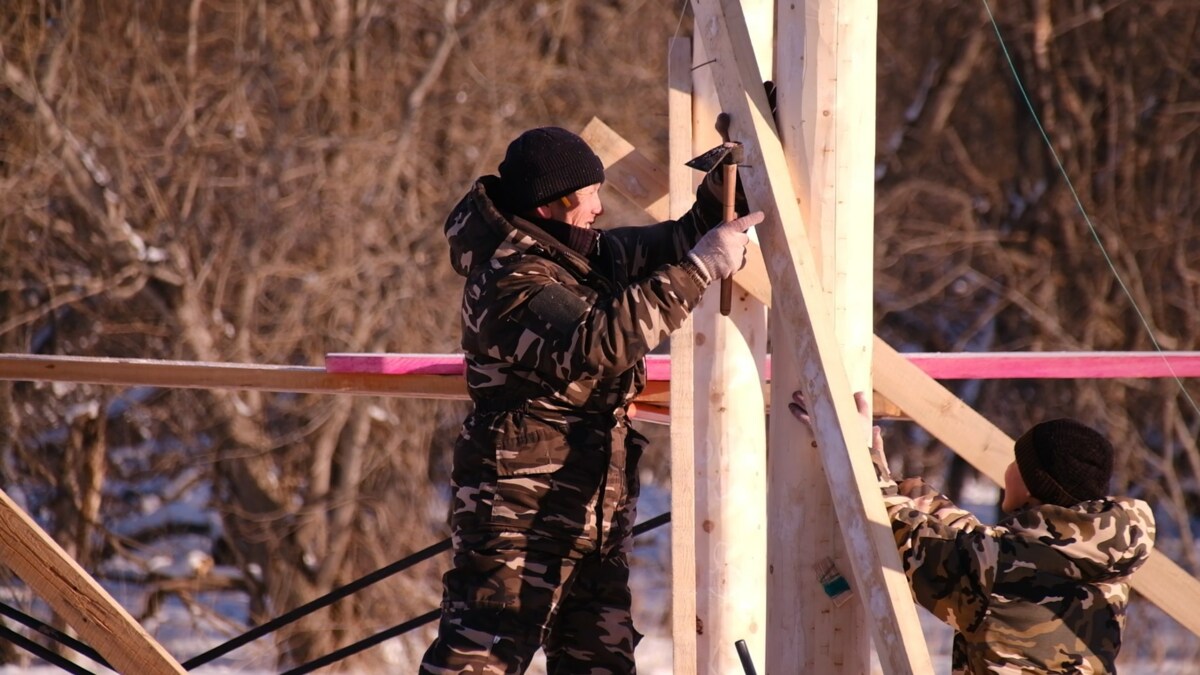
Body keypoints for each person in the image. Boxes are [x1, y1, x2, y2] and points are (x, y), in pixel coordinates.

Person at [420, 126, 762, 674]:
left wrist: (738, 171)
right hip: (517, 519)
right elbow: (596, 341)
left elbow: (679, 240)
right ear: (550, 205)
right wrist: (701, 269)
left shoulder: (578, 256)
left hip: (591, 520)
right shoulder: (510, 279)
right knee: (477, 663)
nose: (600, 210)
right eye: (589, 197)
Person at [788, 390, 1156, 674]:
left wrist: (852, 449)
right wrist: (906, 490)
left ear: (1031, 485)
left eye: (1018, 462)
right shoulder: (1103, 556)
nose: (1008, 469)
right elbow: (981, 548)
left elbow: (904, 539)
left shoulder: (997, 567)